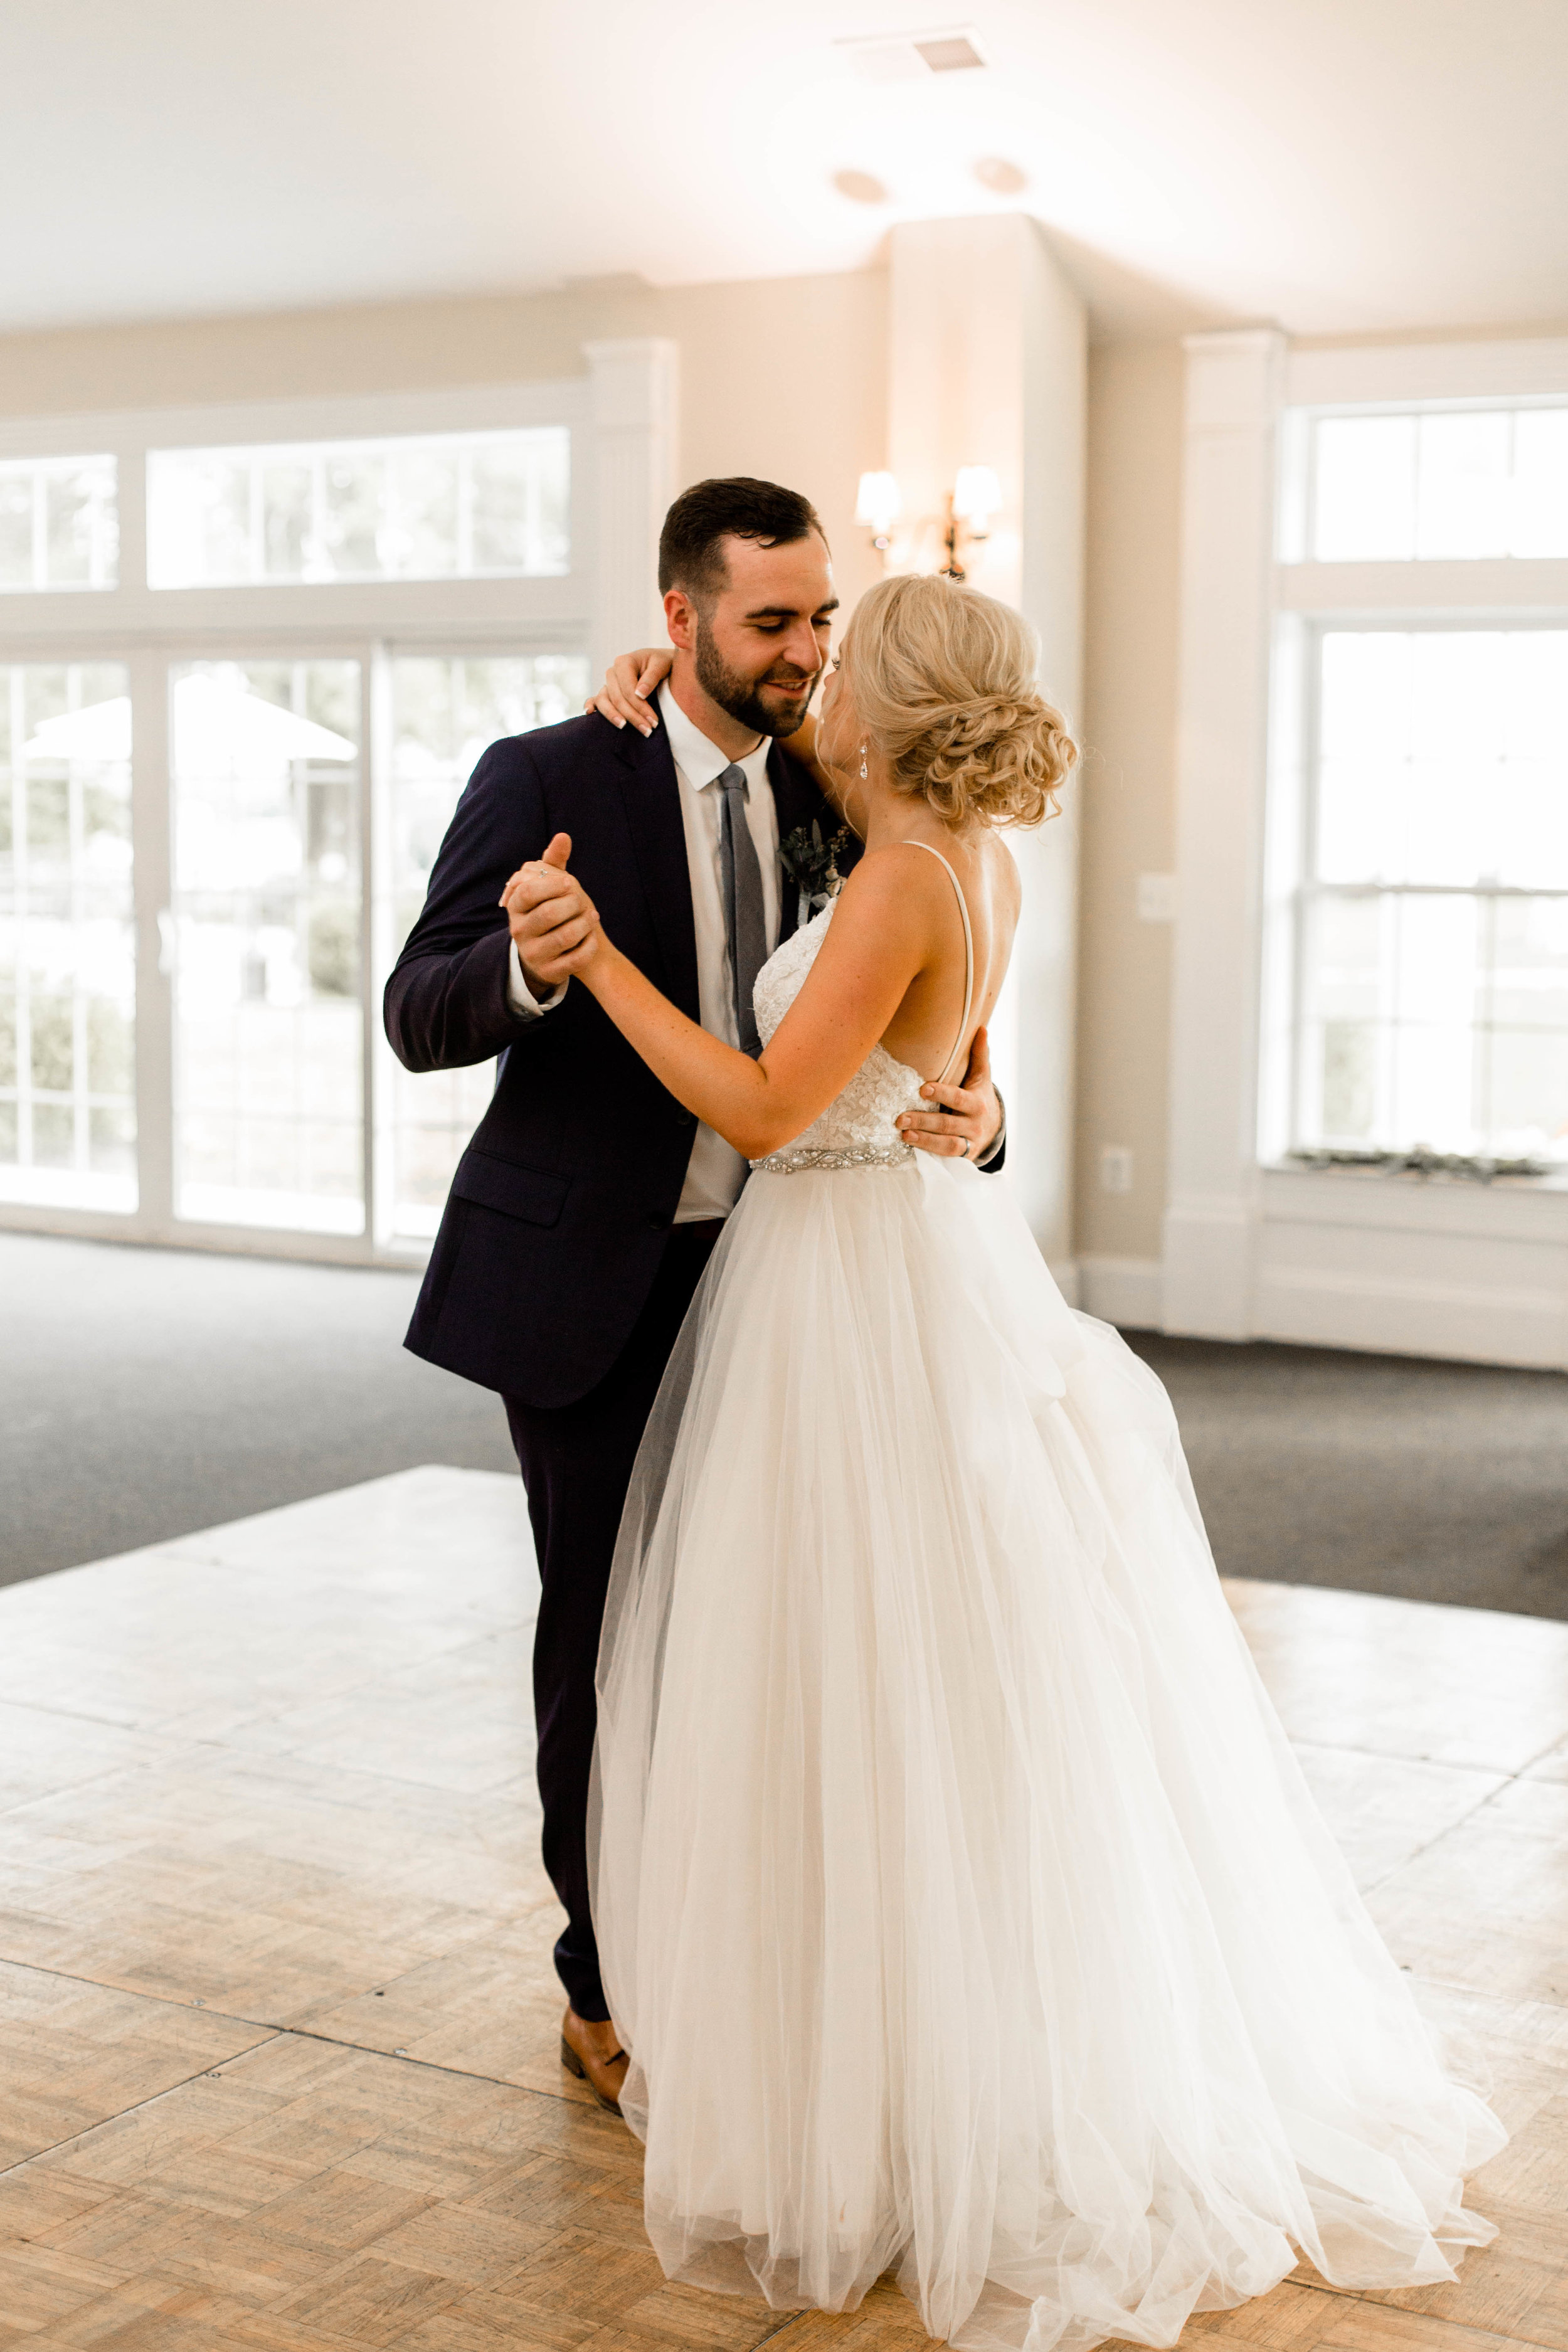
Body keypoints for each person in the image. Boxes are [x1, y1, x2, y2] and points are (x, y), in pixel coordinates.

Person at [507, 569, 1504, 2352]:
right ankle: (908, 2063)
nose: (812, 685)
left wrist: (603, 976)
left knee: (845, 1684)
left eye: (840, 660)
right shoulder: (977, 859)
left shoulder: (897, 877)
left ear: (878, 710)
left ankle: (877, 2105)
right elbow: (945, 1077)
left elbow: (756, 1106)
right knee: (935, 1687)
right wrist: (643, 692)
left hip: (837, 1301)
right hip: (919, 1264)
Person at [383, 479, 1007, 2112]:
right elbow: (417, 1006)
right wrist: (528, 961)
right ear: (679, 621)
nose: (805, 653)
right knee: (603, 1648)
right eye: (769, 623)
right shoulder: (547, 773)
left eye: (821, 619)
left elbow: (922, 1012)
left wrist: (984, 1114)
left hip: (800, 1295)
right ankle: (601, 1983)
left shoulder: (837, 778)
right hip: (598, 1281)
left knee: (780, 1655)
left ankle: (761, 1968)